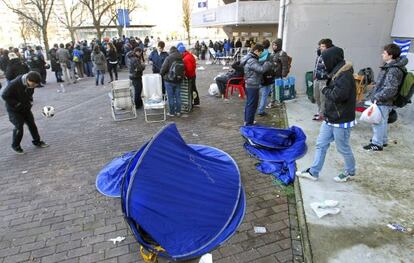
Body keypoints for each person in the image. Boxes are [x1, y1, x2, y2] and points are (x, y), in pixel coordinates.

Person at [296, 46, 356, 182]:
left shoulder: (344, 74)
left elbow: (339, 95)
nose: (323, 63)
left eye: (325, 60)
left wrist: (324, 90)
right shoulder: (336, 71)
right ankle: (314, 172)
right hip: (330, 117)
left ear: (332, 59)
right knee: (321, 144)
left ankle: (350, 172)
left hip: (341, 119)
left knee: (343, 148)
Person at [363, 44, 407, 151]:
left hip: (383, 100)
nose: (382, 54)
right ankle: (383, 140)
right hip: (385, 100)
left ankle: (377, 144)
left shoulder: (393, 69)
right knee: (383, 121)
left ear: (390, 55)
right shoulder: (391, 66)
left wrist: (377, 97)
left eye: (384, 53)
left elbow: (390, 88)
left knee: (378, 122)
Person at [1, 71, 49, 154]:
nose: (34, 86)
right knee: (19, 127)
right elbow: (4, 95)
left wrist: (30, 102)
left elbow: (29, 94)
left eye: (35, 85)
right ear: (28, 80)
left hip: (25, 107)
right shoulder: (14, 84)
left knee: (32, 124)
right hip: (14, 110)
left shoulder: (32, 82)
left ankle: (37, 141)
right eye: (33, 84)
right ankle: (15, 146)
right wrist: (17, 104)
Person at [240, 44, 271, 126]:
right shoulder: (252, 60)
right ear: (256, 51)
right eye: (260, 53)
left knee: (249, 104)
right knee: (252, 105)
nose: (260, 55)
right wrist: (267, 63)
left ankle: (248, 121)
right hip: (252, 85)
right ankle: (249, 124)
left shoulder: (249, 58)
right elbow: (261, 69)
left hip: (250, 84)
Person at [312, 39, 333, 121]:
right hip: (317, 79)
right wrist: (314, 75)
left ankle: (322, 114)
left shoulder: (330, 56)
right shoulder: (319, 55)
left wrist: (327, 78)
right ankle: (319, 111)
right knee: (316, 96)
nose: (321, 48)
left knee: (323, 98)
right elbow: (316, 66)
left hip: (324, 80)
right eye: (320, 46)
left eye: (323, 46)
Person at [160, 46, 184, 117]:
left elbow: (163, 68)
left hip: (169, 80)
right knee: (178, 96)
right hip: (178, 80)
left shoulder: (168, 58)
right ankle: (178, 111)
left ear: (171, 51)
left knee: (170, 97)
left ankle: (172, 112)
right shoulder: (181, 58)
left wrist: (161, 74)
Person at [267, 39, 289, 107]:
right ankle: (272, 102)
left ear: (279, 45)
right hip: (272, 74)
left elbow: (285, 66)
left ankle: (279, 101)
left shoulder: (282, 53)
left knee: (279, 89)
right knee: (272, 89)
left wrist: (283, 75)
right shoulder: (273, 53)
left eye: (275, 45)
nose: (274, 46)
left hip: (278, 75)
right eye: (273, 45)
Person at [257, 39, 275, 116]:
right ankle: (260, 110)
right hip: (266, 76)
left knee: (257, 94)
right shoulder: (269, 54)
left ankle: (256, 109)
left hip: (257, 76)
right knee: (264, 95)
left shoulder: (258, 53)